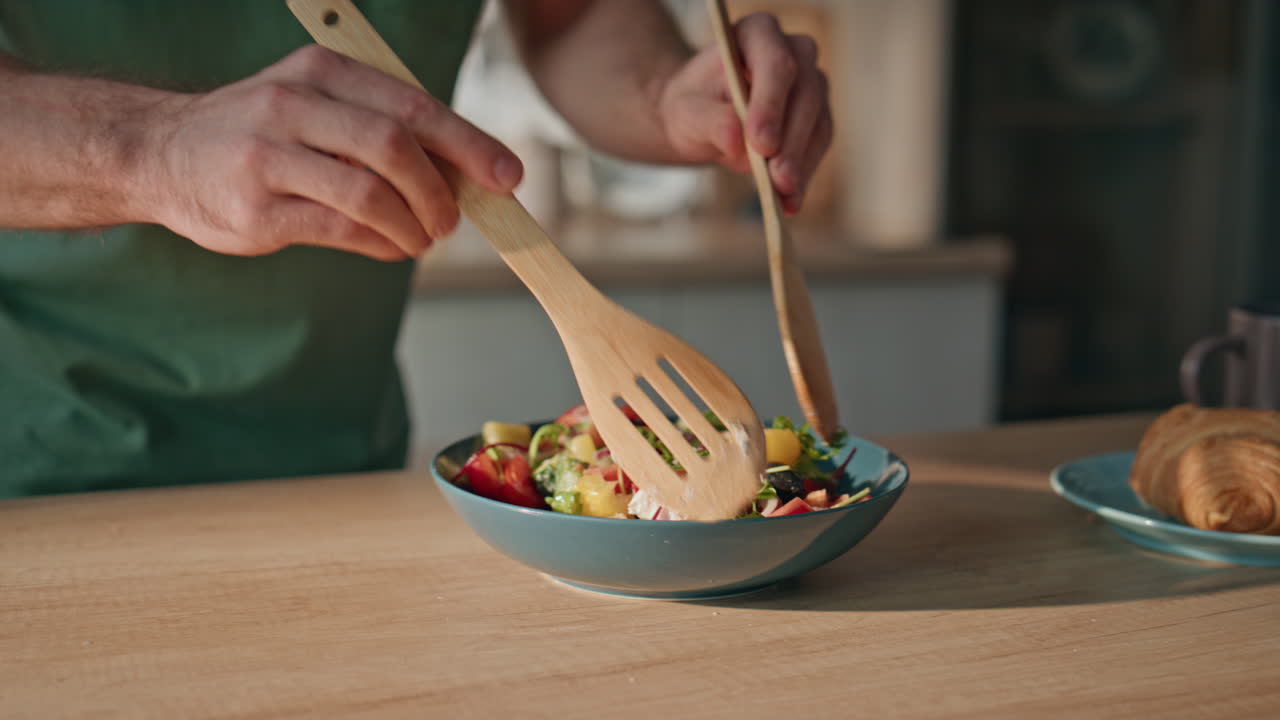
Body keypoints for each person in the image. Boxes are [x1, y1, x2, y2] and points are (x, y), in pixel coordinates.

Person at [0, 1, 833, 498]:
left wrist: (661, 93)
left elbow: (571, 14)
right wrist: (151, 148)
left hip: (345, 468)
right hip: (36, 476)